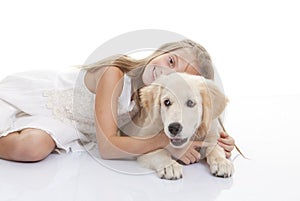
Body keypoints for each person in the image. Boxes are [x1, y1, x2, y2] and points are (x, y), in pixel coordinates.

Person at [0, 39, 235, 164]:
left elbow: (185, 118)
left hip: (71, 126)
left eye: (178, 78)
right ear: (161, 51)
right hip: (43, 99)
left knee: (33, 146)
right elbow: (108, 148)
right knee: (29, 148)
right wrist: (166, 143)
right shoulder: (114, 73)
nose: (165, 74)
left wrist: (214, 142)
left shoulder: (155, 99)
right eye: (170, 61)